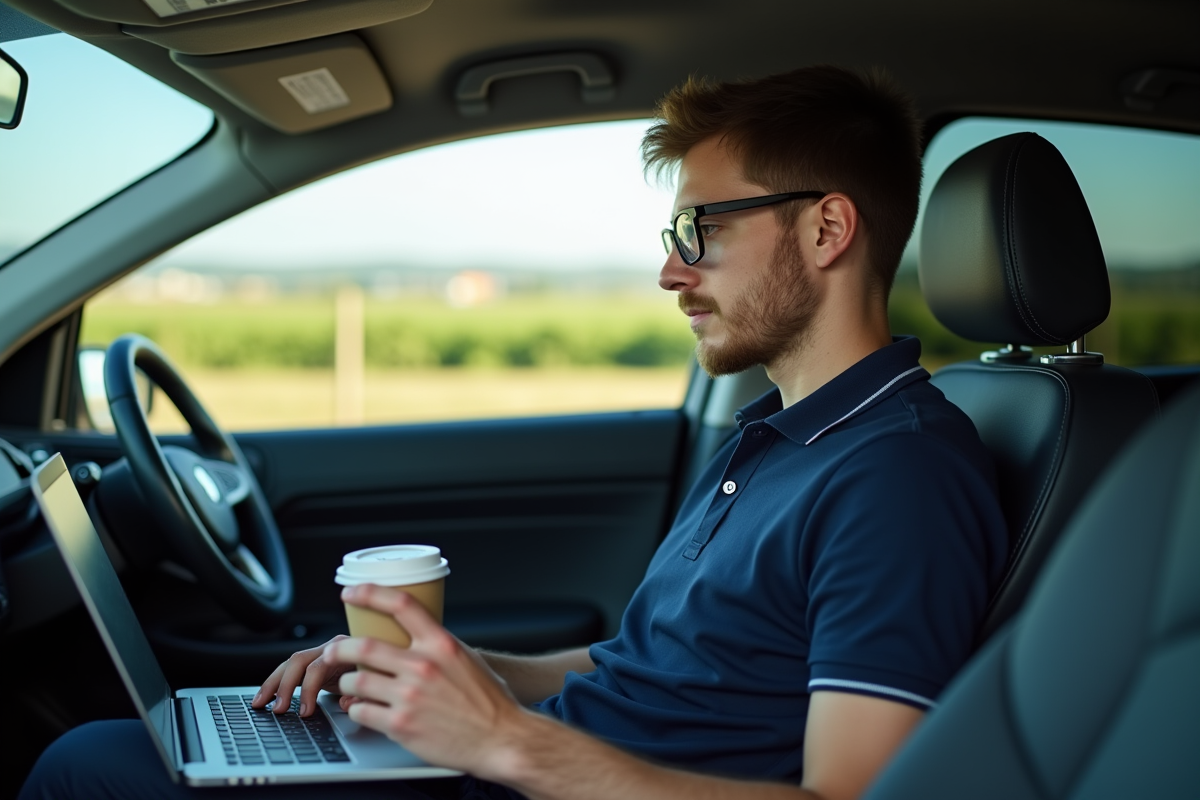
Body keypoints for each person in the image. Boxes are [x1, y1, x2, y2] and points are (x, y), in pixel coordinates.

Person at [20, 65, 1007, 800]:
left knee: (86, 766)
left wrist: (503, 739)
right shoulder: (775, 439)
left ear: (827, 230)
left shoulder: (899, 475)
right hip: (526, 770)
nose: (671, 272)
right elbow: (650, 668)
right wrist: (461, 673)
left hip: (529, 778)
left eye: (701, 230)